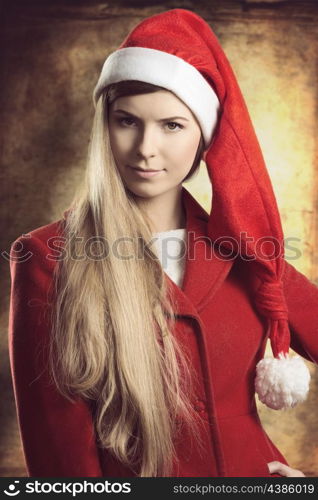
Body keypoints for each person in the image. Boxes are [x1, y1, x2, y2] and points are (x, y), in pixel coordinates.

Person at [8, 8, 317, 478]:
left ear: (203, 137)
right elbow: (59, 457)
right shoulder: (46, 257)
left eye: (172, 125)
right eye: (127, 121)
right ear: (104, 126)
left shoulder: (245, 247)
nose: (146, 148)